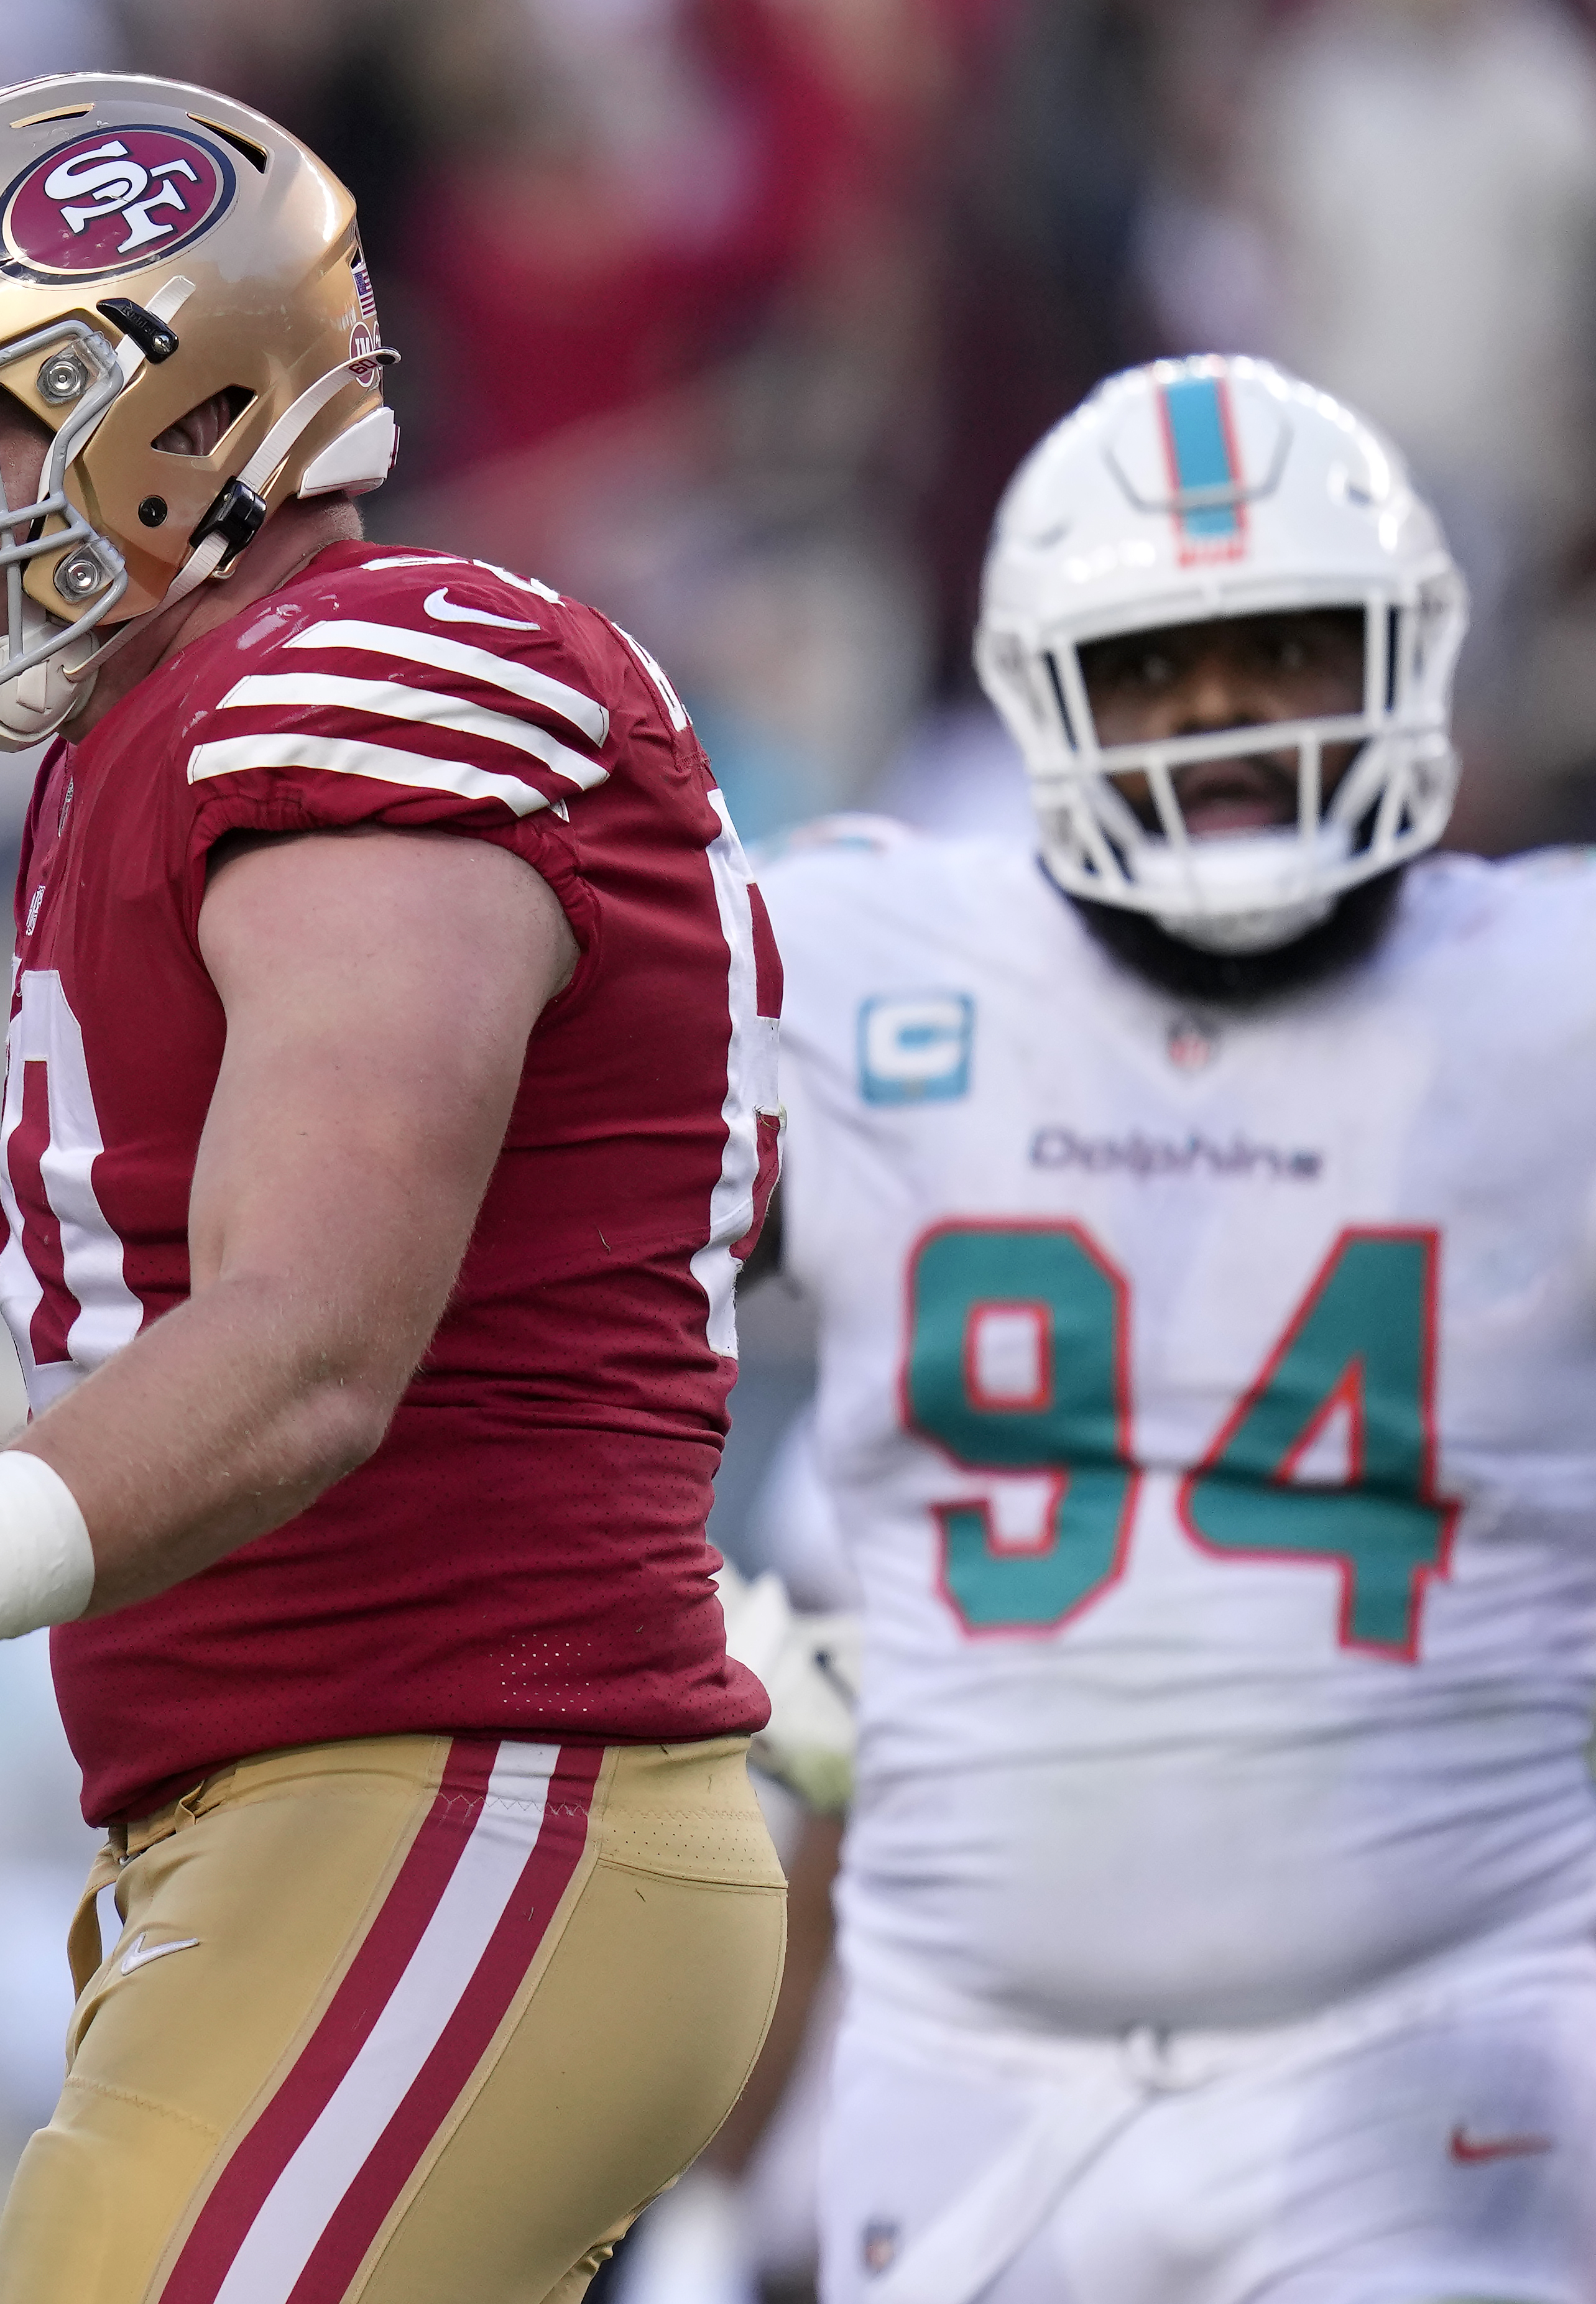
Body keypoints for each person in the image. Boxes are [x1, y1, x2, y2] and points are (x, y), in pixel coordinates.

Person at [0, 75, 794, 2304]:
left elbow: (306, 1347)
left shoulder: (371, 676)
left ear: (183, 418)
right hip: (302, 1809)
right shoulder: (161, 728)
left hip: (468, 1781)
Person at [751, 353, 1596, 2304]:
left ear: (1402, 656)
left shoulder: (1547, 1001)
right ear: (1041, 694)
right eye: (1153, 663)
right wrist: (688, 1631)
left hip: (1433, 2044)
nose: (1218, 715)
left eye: (1282, 647)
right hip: (959, 2072)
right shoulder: (861, 962)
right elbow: (508, 1290)